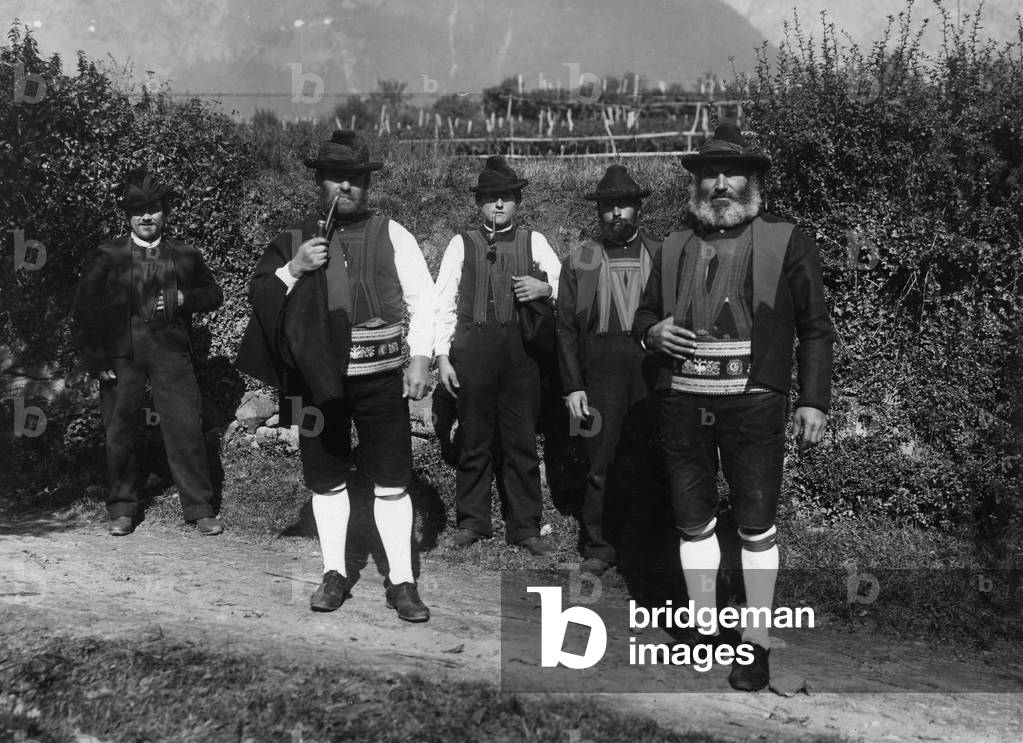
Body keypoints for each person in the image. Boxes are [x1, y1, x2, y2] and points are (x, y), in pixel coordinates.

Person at [632, 123, 835, 690]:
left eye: (731, 174)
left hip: (755, 402)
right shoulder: (672, 245)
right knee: (692, 519)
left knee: (756, 525)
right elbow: (644, 315)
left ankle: (756, 643)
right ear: (696, 183)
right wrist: (652, 334)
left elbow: (816, 328)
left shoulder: (787, 239)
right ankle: (702, 629)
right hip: (682, 399)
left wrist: (813, 399)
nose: (720, 184)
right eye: (709, 175)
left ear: (752, 181)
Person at [235, 130, 435, 622]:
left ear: (368, 185)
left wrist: (420, 358)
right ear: (318, 182)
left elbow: (424, 299)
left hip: (381, 378)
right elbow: (260, 295)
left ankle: (402, 582)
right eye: (335, 177)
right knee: (325, 480)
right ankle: (334, 573)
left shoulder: (393, 233)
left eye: (355, 179)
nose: (345, 187)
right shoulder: (294, 239)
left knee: (392, 481)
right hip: (316, 383)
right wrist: (295, 268)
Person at [74, 167, 224, 537]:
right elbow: (85, 312)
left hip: (171, 351)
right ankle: (122, 507)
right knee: (120, 430)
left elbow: (214, 295)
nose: (146, 217)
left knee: (185, 426)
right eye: (138, 210)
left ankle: (200, 507)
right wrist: (96, 359)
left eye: (153, 209)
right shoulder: (106, 256)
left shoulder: (186, 255)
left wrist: (184, 298)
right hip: (121, 353)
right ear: (127, 215)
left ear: (165, 212)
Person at [434, 156, 561, 555]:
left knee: (521, 440)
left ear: (517, 201)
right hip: (473, 351)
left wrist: (545, 289)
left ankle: (524, 526)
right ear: (480, 203)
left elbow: (564, 281)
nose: (499, 204)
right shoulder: (462, 243)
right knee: (474, 438)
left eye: (506, 197)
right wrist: (442, 357)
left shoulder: (533, 240)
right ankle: (472, 521)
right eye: (491, 197)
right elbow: (443, 303)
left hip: (521, 355)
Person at [556, 164, 662, 577]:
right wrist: (573, 386)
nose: (616, 213)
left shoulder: (661, 252)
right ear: (598, 212)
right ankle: (599, 546)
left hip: (650, 370)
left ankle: (645, 544)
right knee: (598, 460)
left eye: (624, 205)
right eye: (608, 206)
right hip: (599, 371)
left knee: (649, 457)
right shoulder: (580, 258)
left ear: (638, 208)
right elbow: (565, 329)